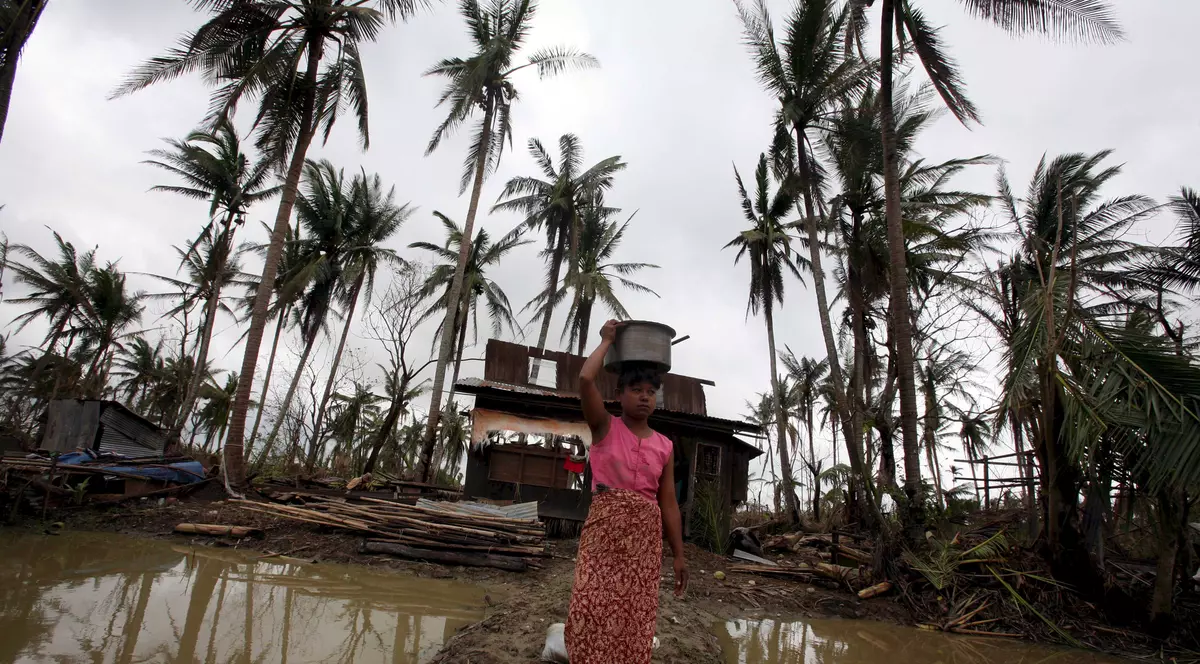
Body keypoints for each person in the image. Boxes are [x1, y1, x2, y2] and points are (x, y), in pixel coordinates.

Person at [565, 319, 688, 664]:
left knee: (634, 616)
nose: (645, 396)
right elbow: (586, 379)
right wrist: (606, 341)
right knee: (588, 605)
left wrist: (678, 554)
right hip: (603, 534)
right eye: (636, 389)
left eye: (651, 391)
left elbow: (669, 504)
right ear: (619, 394)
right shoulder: (605, 427)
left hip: (643, 543)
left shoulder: (665, 446)